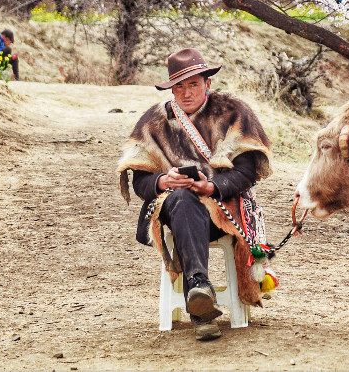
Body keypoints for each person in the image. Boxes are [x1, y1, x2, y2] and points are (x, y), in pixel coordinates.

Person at [117, 48, 273, 341]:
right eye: (178, 86)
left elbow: (247, 172)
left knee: (189, 199)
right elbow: (140, 182)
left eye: (193, 84)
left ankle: (200, 309)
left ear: (207, 84)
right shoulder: (153, 122)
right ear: (170, 88)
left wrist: (212, 187)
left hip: (223, 212)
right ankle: (200, 289)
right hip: (175, 212)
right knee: (181, 199)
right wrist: (164, 180)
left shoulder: (233, 112)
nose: (186, 93)